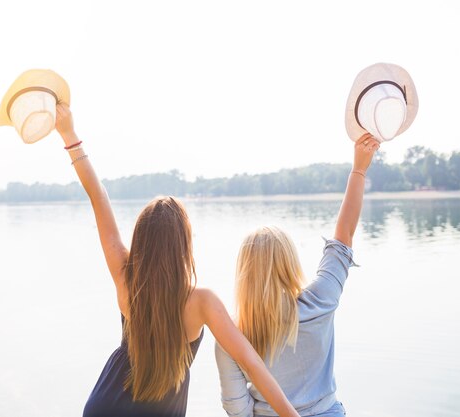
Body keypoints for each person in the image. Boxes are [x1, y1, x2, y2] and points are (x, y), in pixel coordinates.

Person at [53, 103, 300, 417]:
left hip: (103, 406)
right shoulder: (202, 302)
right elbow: (251, 363)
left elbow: (98, 196)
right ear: (184, 244)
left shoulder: (125, 277)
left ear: (141, 240)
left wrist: (69, 133)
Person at [215, 134, 380, 417]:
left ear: (244, 274)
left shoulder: (232, 335)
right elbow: (344, 236)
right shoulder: (321, 300)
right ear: (289, 263)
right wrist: (359, 169)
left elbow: (236, 408)